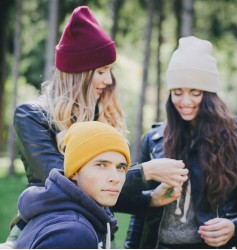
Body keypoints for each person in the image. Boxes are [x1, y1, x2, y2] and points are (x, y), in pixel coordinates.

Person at [1, 5, 188, 248]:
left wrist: (149, 200)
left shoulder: (101, 115)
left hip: (92, 229)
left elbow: (101, 189)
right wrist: (145, 172)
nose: (109, 80)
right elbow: (70, 184)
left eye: (110, 71)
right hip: (51, 232)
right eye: (101, 71)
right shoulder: (32, 115)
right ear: (78, 73)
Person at [125, 36, 237, 249]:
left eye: (195, 93)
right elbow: (141, 210)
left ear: (210, 94)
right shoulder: (154, 139)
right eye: (177, 92)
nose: (185, 102)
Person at [14, 121, 131, 249]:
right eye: (101, 165)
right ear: (74, 171)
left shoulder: (63, 214)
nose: (115, 178)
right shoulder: (74, 233)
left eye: (121, 167)